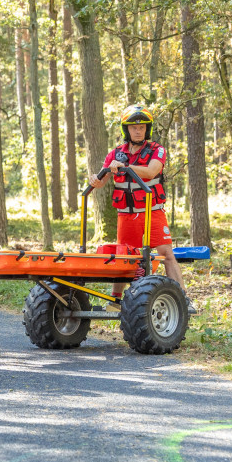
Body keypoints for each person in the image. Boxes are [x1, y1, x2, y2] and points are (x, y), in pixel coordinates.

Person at [89, 104, 197, 314]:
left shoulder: (157, 150)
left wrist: (127, 167)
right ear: (126, 130)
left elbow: (151, 171)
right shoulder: (115, 154)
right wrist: (95, 179)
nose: (137, 131)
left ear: (147, 129)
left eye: (142, 127)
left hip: (152, 211)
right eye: (133, 127)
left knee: (166, 254)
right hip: (126, 215)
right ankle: (115, 300)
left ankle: (184, 299)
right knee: (124, 256)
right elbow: (102, 182)